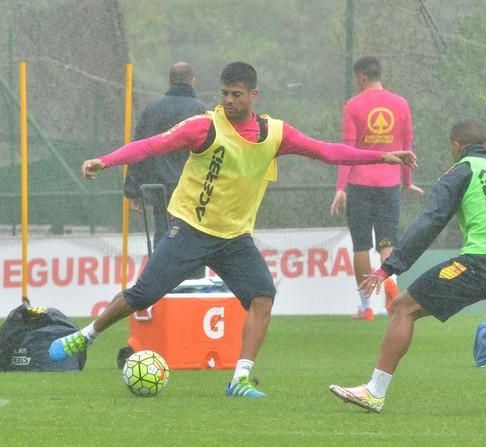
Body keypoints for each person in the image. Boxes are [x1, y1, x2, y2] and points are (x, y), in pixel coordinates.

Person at [49, 62, 417, 398]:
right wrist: (107, 161)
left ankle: (239, 379)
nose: (228, 100)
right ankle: (85, 336)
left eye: (236, 94)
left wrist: (381, 156)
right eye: (224, 93)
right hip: (190, 230)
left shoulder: (275, 133)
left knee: (262, 297)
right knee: (142, 295)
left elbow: (326, 151)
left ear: (253, 95)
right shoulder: (203, 126)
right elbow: (151, 145)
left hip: (235, 239)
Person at [329, 118, 486, 413]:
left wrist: (391, 266)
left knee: (402, 308)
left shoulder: (462, 170)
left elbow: (431, 221)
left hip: (483, 261)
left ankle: (374, 392)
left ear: (456, 146)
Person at [329, 56, 424, 320]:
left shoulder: (353, 105)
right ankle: (391, 290)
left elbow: (347, 150)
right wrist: (406, 181)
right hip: (389, 183)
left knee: (361, 246)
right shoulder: (401, 104)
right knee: (387, 243)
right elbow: (407, 147)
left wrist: (341, 188)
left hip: (359, 183)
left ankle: (365, 307)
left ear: (361, 77)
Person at [124, 62, 206, 247]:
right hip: (192, 187)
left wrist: (133, 190)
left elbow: (140, 147)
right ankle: (195, 276)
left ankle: (163, 273)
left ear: (169, 81)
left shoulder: (152, 109)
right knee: (193, 235)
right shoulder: (202, 111)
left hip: (159, 186)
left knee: (163, 234)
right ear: (192, 81)